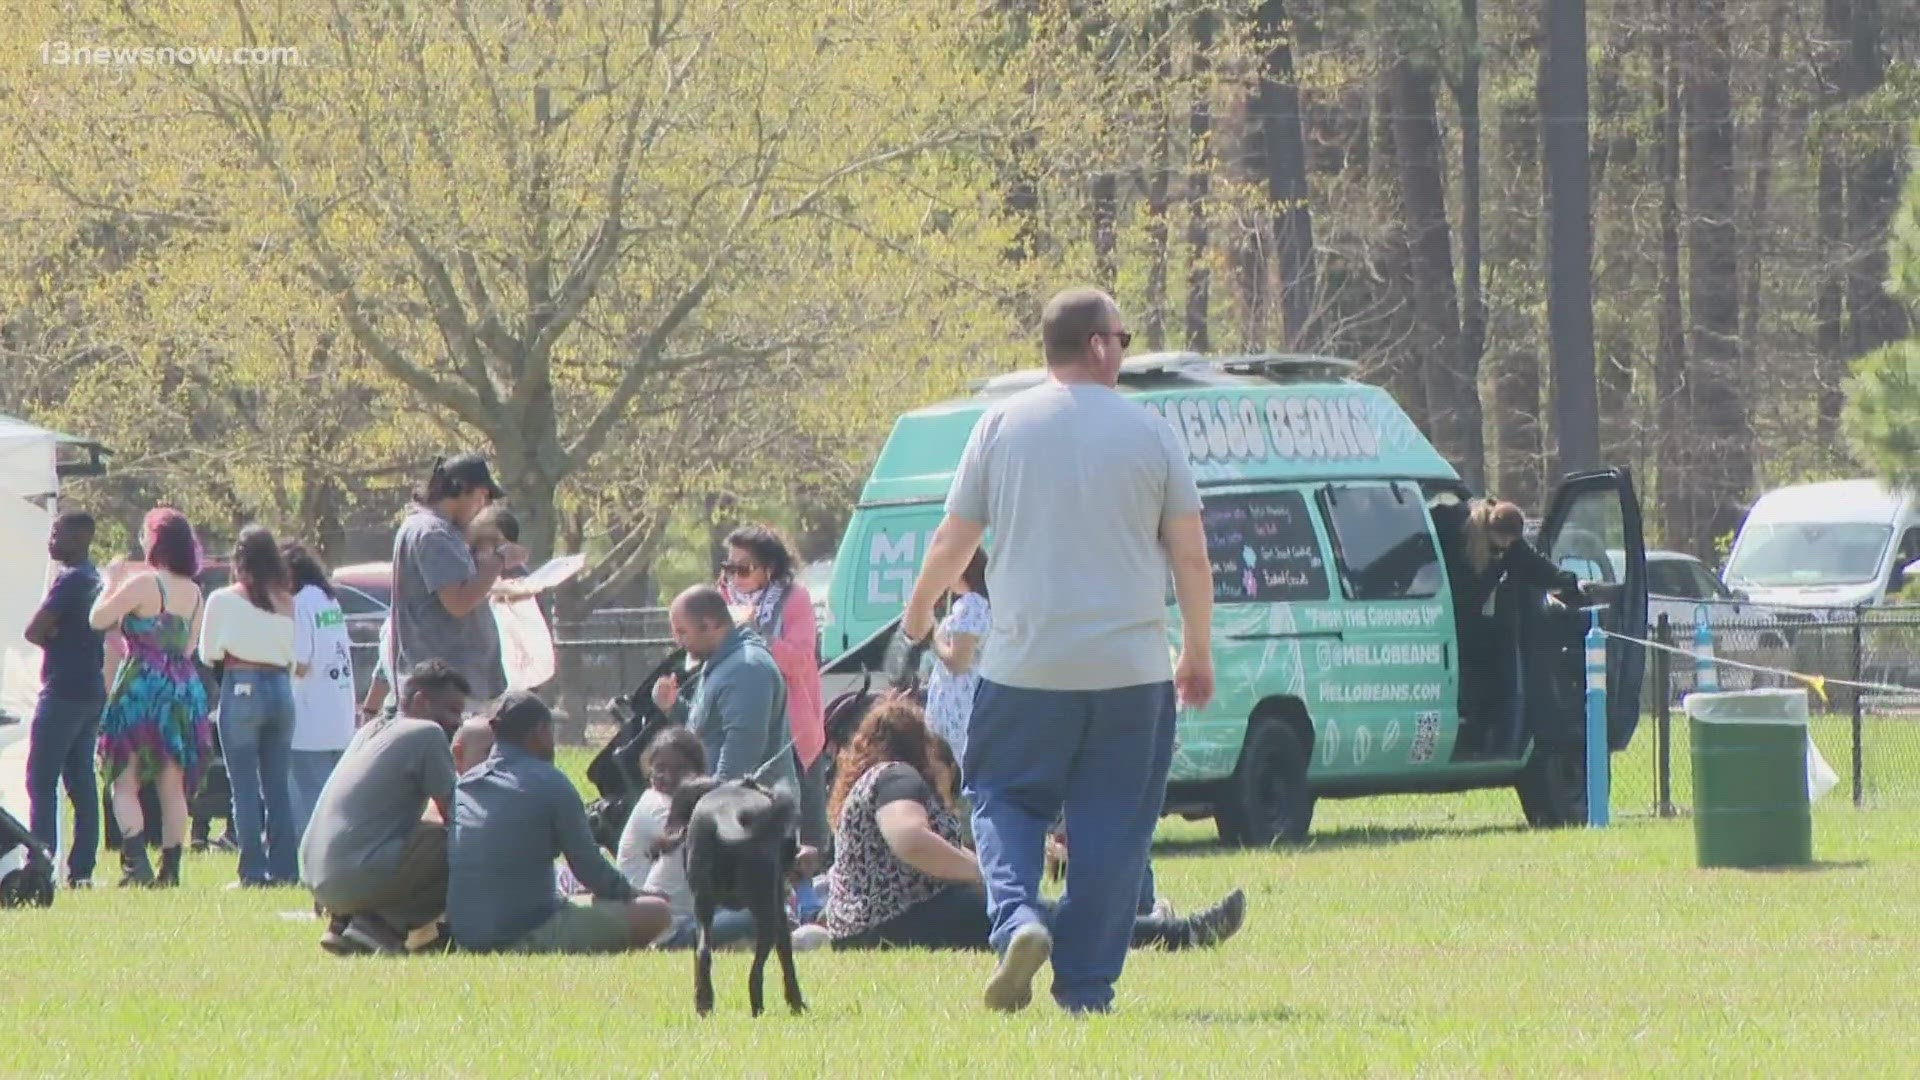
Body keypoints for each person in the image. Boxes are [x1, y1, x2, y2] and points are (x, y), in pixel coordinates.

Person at [901, 287, 1215, 1015]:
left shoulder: (1000, 427)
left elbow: (954, 541)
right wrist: (1196, 650)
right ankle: (1087, 990)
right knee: (1114, 828)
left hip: (1026, 666)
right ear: (1098, 345)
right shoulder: (1151, 432)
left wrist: (920, 614)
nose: (1124, 351)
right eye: (1123, 338)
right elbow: (1191, 557)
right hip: (1131, 673)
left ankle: (1018, 919)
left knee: (1004, 798)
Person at [824, 697, 1244, 954]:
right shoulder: (899, 776)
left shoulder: (866, 786)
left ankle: (1159, 925)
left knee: (1040, 915)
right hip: (901, 920)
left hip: (863, 928)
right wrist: (985, 875)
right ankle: (1179, 933)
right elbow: (911, 838)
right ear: (922, 749)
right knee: (1049, 917)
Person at [447, 691, 673, 954]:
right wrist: (637, 894)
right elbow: (591, 871)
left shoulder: (465, 785)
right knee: (657, 912)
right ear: (541, 732)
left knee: (587, 901)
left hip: (467, 937)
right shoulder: (550, 782)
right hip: (524, 934)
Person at [301, 660, 468, 956]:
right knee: (462, 843)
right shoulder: (426, 733)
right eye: (452, 711)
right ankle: (381, 926)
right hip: (350, 875)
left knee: (419, 836)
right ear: (420, 702)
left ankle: (344, 923)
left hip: (316, 874)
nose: (458, 722)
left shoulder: (370, 731)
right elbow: (457, 815)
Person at [611, 727, 822, 950]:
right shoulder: (656, 805)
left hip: (685, 917)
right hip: (662, 933)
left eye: (680, 770)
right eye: (661, 769)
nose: (669, 778)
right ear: (649, 770)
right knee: (754, 914)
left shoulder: (686, 810)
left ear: (698, 774)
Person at [90, 508, 213, 888]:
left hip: (140, 687)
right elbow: (190, 647)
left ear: (156, 540)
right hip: (181, 690)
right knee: (171, 786)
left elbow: (98, 618)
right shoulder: (194, 593)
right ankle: (171, 869)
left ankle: (135, 862)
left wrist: (110, 581)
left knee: (122, 780)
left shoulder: (145, 583)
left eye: (144, 533)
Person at [717, 525, 830, 899]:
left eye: (744, 568)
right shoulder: (720, 599)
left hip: (794, 726)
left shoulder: (793, 600)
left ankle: (809, 896)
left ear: (769, 568)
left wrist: (757, 633)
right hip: (745, 721)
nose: (735, 577)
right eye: (728, 567)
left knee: (802, 814)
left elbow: (799, 661)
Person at [200, 526, 300, 888]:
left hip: (241, 683)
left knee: (242, 784)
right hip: (280, 687)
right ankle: (286, 868)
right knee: (277, 785)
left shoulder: (224, 599)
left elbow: (207, 652)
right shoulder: (287, 600)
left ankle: (253, 870)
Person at [390, 453, 526, 707]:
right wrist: (500, 561)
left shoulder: (446, 531)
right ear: (460, 488)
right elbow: (458, 602)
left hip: (462, 683)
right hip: (445, 689)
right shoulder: (432, 533)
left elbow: (466, 587)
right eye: (482, 496)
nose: (483, 506)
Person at [652, 586, 801, 799]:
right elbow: (708, 732)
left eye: (683, 632)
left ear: (711, 624)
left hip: (752, 819)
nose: (678, 641)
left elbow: (737, 767)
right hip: (726, 813)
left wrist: (705, 812)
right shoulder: (720, 662)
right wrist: (674, 707)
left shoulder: (747, 670)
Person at [23, 511, 107, 888]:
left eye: (58, 533)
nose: (50, 540)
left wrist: (53, 636)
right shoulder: (95, 578)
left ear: (80, 537)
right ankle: (82, 870)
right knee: (81, 782)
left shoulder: (71, 580)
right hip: (91, 690)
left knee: (41, 780)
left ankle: (41, 862)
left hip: (61, 691)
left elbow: (34, 629)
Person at [283, 543, 356, 844]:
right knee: (334, 799)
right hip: (339, 715)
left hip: (309, 720)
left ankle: (311, 863)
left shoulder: (301, 604)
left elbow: (300, 664)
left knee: (308, 801)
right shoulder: (329, 601)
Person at [923, 549, 990, 765]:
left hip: (960, 708)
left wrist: (932, 636)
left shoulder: (970, 605)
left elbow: (958, 662)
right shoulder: (984, 603)